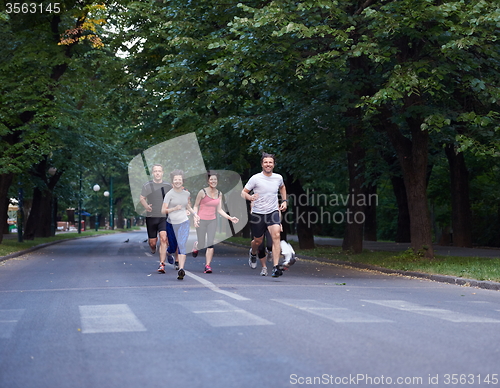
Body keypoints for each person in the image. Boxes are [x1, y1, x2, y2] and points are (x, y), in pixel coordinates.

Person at [241, 152, 288, 277]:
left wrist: (284, 201)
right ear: (262, 164)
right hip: (258, 213)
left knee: (276, 235)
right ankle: (253, 252)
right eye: (266, 162)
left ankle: (276, 267)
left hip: (272, 212)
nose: (268, 164)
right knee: (258, 240)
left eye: (270, 162)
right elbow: (243, 192)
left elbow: (282, 188)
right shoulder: (255, 178)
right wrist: (250, 197)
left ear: (273, 164)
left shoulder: (278, 177)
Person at [192, 171, 239, 273]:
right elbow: (195, 206)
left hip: (212, 220)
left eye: (215, 179)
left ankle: (208, 265)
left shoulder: (219, 193)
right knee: (201, 244)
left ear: (217, 181)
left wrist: (230, 218)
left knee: (210, 243)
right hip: (201, 220)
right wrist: (195, 218)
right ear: (208, 181)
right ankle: (196, 245)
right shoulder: (202, 192)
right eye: (211, 179)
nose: (213, 181)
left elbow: (219, 210)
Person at [161, 169, 198, 280]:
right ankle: (169, 253)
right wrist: (174, 208)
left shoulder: (186, 193)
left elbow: (188, 206)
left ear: (182, 181)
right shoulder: (169, 194)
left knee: (182, 244)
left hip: (184, 222)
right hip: (171, 223)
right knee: (173, 247)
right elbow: (163, 210)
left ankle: (181, 269)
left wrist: (194, 214)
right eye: (175, 180)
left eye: (179, 180)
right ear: (172, 182)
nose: (178, 181)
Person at [139, 164, 172, 273]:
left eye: (159, 171)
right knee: (152, 243)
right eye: (155, 171)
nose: (157, 173)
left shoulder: (168, 185)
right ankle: (153, 248)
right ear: (152, 173)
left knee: (163, 238)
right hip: (151, 217)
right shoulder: (147, 185)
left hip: (163, 216)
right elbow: (142, 198)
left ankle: (162, 264)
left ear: (162, 173)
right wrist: (146, 206)